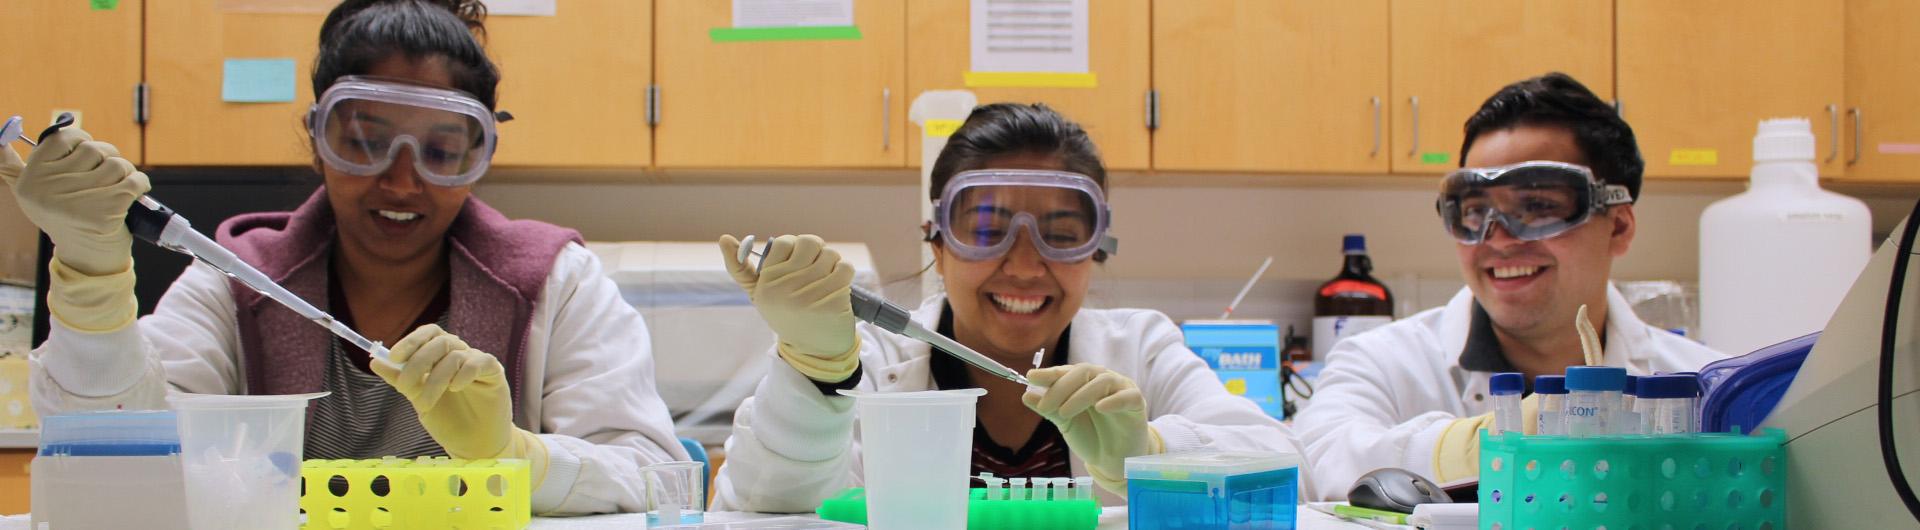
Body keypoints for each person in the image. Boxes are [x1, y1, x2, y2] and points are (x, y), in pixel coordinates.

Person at [0, 0, 684, 515]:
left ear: (480, 157)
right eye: (365, 139)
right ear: (316, 135)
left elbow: (659, 477)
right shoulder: (237, 280)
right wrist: (92, 275)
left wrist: (513, 455)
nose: (401, 180)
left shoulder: (554, 281)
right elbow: (118, 460)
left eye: (443, 150)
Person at [709, 103, 1304, 512]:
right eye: (987, 229)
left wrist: (1149, 455)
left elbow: (1289, 473)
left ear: (1096, 250)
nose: (1024, 265)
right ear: (937, 244)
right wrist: (817, 373)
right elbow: (756, 509)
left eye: (1061, 232)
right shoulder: (868, 358)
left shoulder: (1141, 348)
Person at [1292, 73, 1725, 500]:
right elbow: (1319, 461)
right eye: (1476, 211)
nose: (1498, 238)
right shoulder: (1385, 362)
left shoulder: (1707, 385)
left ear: (1619, 226)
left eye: (1537, 207)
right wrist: (1483, 442)